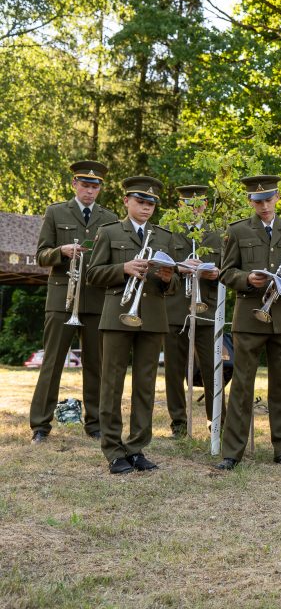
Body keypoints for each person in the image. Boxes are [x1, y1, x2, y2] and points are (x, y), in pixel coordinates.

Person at [215, 175, 281, 470]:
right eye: (258, 201)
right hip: (249, 317)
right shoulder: (238, 230)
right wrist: (247, 279)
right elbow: (225, 272)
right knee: (242, 386)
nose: (264, 205)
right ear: (250, 202)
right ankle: (232, 452)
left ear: (277, 198)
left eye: (269, 199)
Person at [85, 176, 177, 474]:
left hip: (152, 317)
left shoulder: (164, 236)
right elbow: (93, 274)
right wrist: (122, 268)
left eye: (151, 203)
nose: (146, 207)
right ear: (126, 201)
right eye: (140, 202)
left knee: (145, 386)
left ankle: (136, 447)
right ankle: (113, 449)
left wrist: (167, 279)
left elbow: (173, 286)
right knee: (111, 383)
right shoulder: (110, 232)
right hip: (117, 315)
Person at [29, 160, 118, 444]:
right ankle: (40, 426)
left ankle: (95, 424)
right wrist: (61, 251)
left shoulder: (109, 218)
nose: (90, 191)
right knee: (52, 362)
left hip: (96, 298)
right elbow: (41, 254)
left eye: (95, 187)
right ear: (74, 185)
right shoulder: (55, 212)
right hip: (61, 298)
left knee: (96, 364)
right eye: (85, 186)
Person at [163, 185, 224, 438]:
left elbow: (229, 270)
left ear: (205, 205)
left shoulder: (218, 235)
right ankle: (179, 423)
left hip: (207, 308)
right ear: (180, 206)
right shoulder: (168, 235)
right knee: (174, 370)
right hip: (175, 309)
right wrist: (180, 268)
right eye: (188, 205)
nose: (194, 209)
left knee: (213, 367)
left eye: (198, 204)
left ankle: (217, 421)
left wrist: (216, 273)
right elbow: (159, 269)